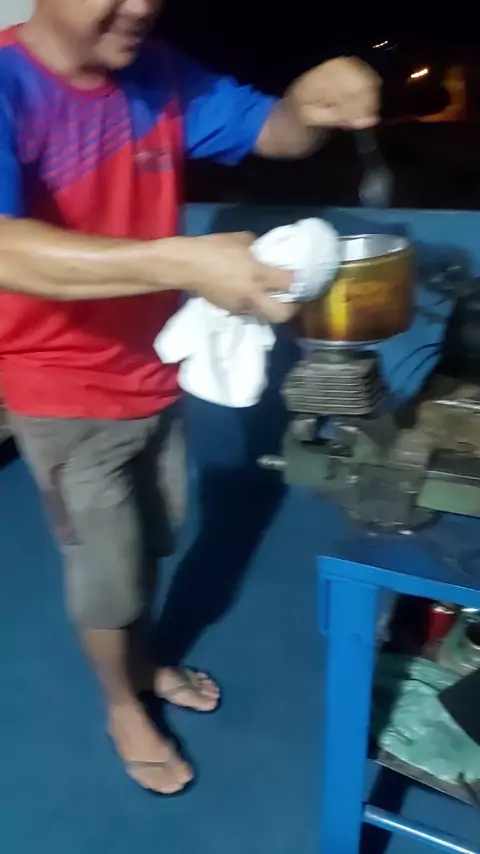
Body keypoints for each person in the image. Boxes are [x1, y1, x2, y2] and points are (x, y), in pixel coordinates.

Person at [0, 0, 381, 795]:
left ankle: (142, 661)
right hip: (59, 387)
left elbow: (272, 131)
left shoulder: (160, 72)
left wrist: (305, 104)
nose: (142, 5)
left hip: (155, 367)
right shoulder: (8, 85)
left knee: (154, 536)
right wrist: (181, 261)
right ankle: (122, 707)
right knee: (106, 570)